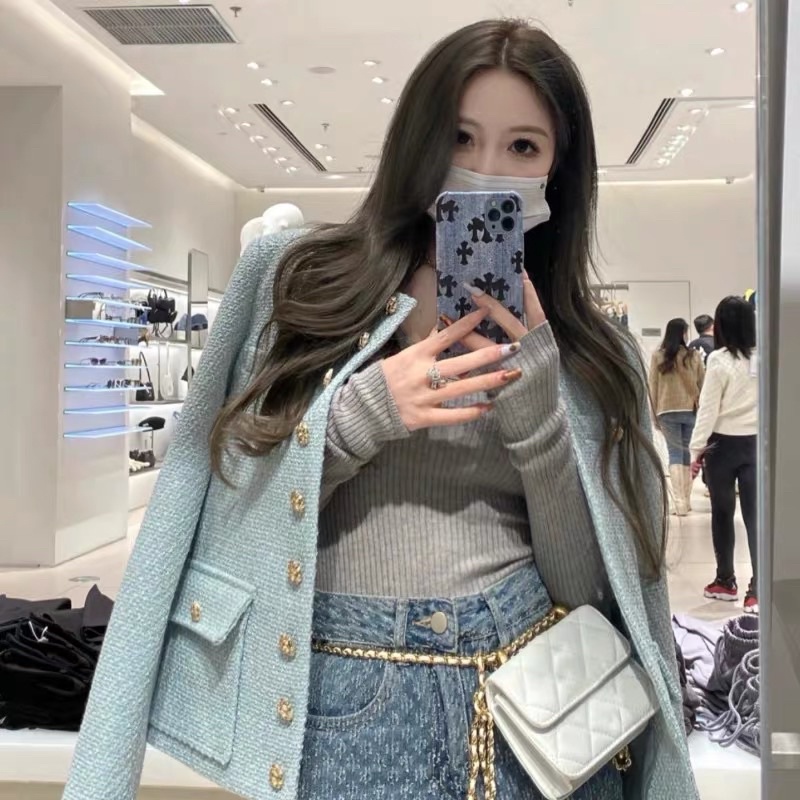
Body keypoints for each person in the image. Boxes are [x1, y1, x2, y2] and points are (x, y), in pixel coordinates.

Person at [61, 20, 698, 800]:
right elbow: (223, 498)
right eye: (461, 136)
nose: (486, 168)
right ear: (419, 139)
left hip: (534, 710)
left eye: (524, 146)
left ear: (558, 168)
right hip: (344, 697)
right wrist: (365, 411)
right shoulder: (302, 280)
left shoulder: (589, 349)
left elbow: (582, 591)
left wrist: (538, 412)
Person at [690, 296, 758, 614]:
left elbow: (708, 410)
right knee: (756, 518)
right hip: (756, 444)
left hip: (721, 447)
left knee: (722, 513)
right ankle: (758, 588)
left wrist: (695, 451)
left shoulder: (719, 360)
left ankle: (725, 581)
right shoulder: (762, 358)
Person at [649, 319, 704, 515]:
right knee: (688, 453)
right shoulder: (693, 356)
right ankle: (686, 500)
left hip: (666, 410)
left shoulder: (658, 356)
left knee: (674, 454)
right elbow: (702, 384)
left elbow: (652, 386)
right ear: (683, 334)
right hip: (690, 410)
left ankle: (679, 502)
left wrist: (654, 414)